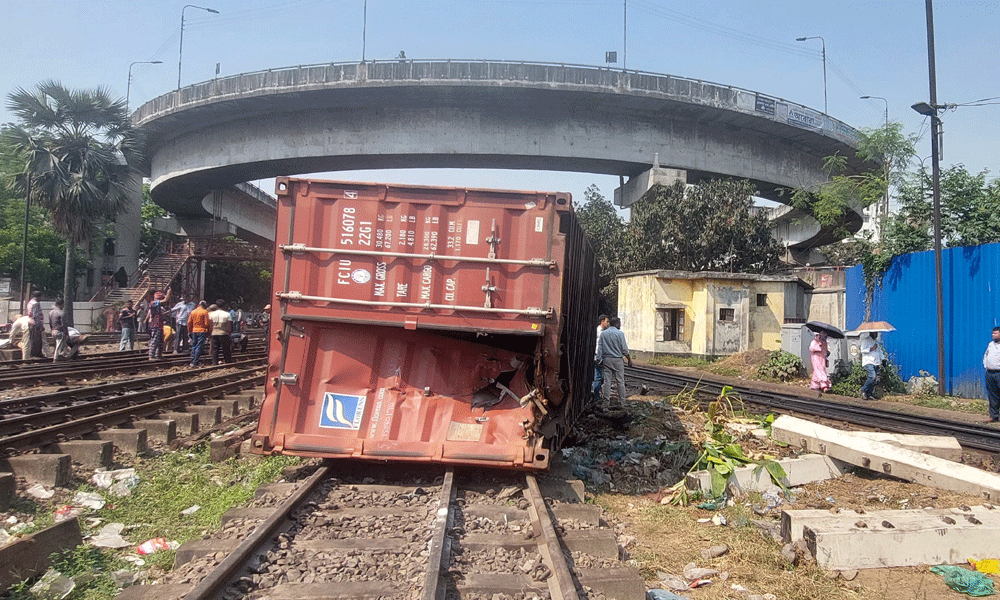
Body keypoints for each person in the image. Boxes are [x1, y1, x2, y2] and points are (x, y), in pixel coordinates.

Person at [597, 316, 633, 405]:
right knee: (620, 381)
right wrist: (629, 359)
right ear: (616, 324)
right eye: (619, 323)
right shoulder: (620, 334)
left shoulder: (603, 334)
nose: (620, 325)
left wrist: (599, 360)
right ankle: (622, 401)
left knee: (607, 382)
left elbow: (600, 349)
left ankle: (606, 401)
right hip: (617, 360)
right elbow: (624, 349)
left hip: (607, 360)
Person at [147, 289, 172, 360]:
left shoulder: (159, 307)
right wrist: (168, 292)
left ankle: (158, 354)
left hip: (160, 325)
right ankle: (151, 355)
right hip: (155, 325)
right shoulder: (153, 303)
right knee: (155, 340)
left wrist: (165, 313)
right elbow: (166, 300)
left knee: (161, 340)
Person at [860, 331, 884, 401]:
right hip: (868, 362)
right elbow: (862, 350)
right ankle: (864, 390)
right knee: (872, 376)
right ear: (871, 333)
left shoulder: (876, 341)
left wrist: (883, 359)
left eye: (876, 333)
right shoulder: (865, 340)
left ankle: (869, 394)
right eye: (874, 333)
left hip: (876, 362)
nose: (876, 335)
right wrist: (871, 348)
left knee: (875, 379)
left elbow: (880, 351)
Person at [983, 327, 1000, 423]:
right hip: (990, 373)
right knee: (992, 395)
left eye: (996, 333)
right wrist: (986, 365)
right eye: (993, 333)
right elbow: (986, 355)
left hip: (999, 372)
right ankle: (994, 416)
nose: (993, 335)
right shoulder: (990, 345)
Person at [188, 300, 210, 367]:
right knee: (199, 346)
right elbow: (207, 323)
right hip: (202, 331)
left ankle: (192, 361)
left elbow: (189, 322)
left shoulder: (193, 312)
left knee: (194, 346)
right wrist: (208, 331)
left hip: (194, 330)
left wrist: (189, 331)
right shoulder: (205, 312)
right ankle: (195, 362)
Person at [593, 314, 610, 401]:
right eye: (607, 321)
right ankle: (596, 395)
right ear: (602, 321)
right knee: (599, 377)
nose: (608, 323)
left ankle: (597, 392)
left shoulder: (604, 331)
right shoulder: (598, 332)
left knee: (602, 377)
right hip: (597, 357)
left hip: (603, 357)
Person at [26, 290, 45, 358]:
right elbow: (36, 316)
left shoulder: (30, 303)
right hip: (35, 324)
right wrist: (40, 326)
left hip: (30, 323)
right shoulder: (36, 304)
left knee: (32, 340)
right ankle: (37, 354)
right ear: (38, 297)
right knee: (37, 340)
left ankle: (33, 354)